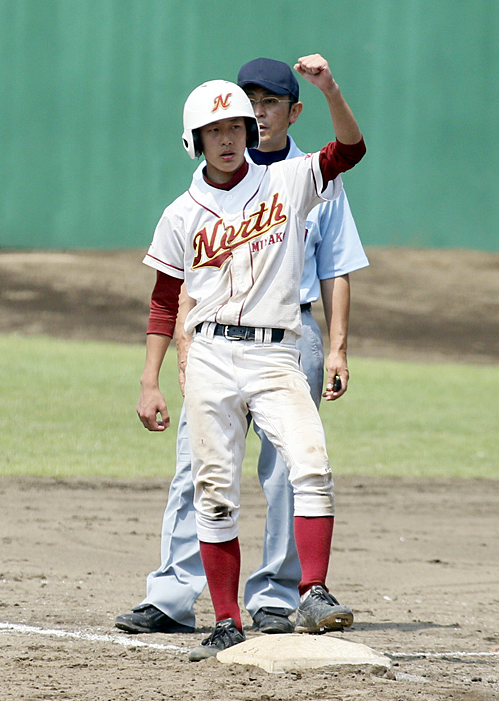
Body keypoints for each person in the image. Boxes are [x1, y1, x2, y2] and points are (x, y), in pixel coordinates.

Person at [115, 57, 368, 640]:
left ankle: (311, 592)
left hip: (279, 351)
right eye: (214, 132)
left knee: (310, 466)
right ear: (195, 141)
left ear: (252, 132)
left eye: (236, 128)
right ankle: (224, 619)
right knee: (212, 489)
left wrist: (329, 88)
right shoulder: (180, 214)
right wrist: (151, 380)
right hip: (208, 356)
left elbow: (349, 151)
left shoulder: (289, 180)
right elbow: (162, 301)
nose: (227, 139)